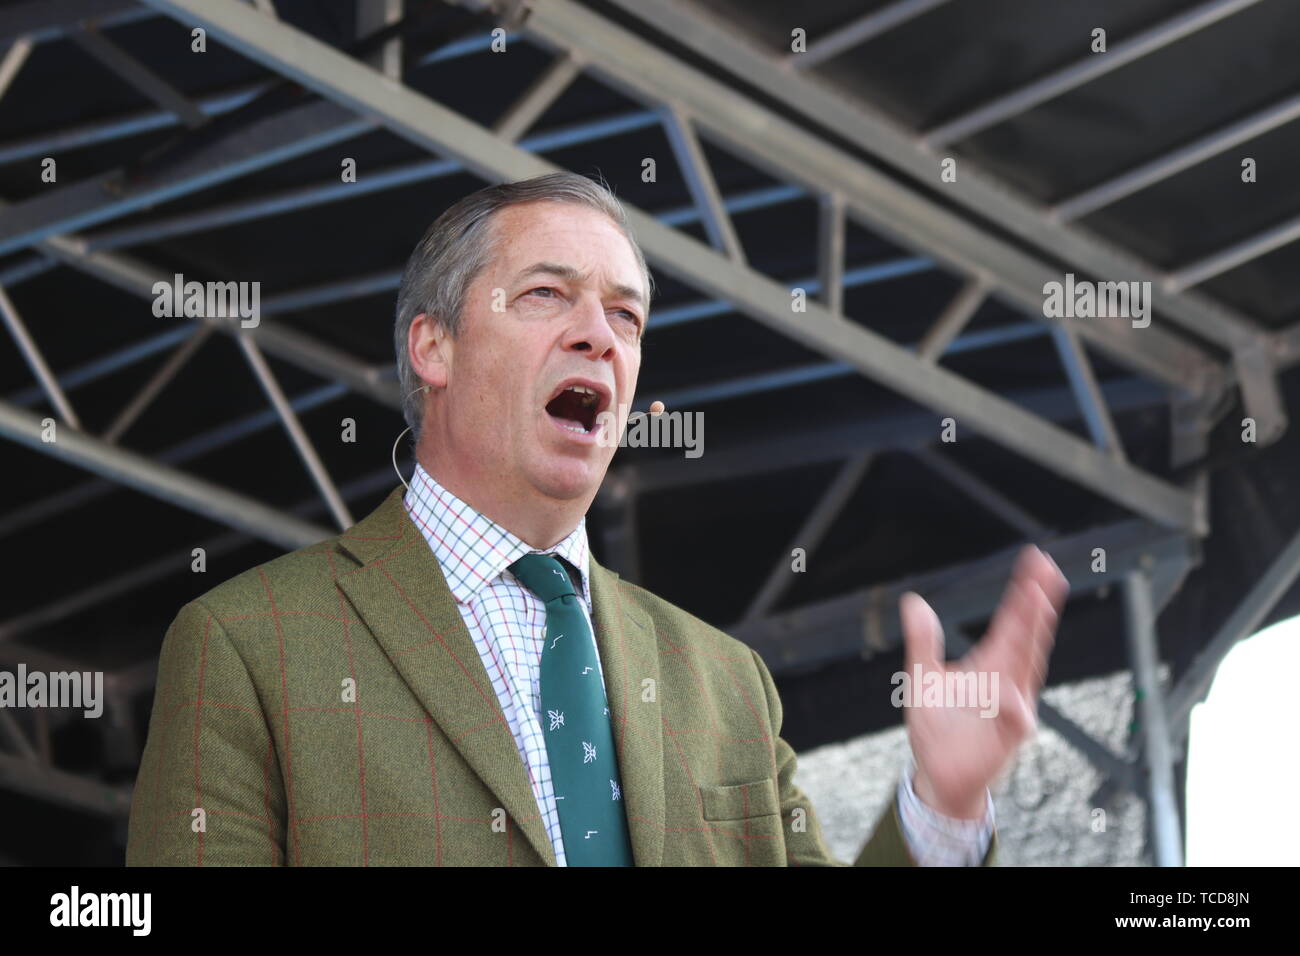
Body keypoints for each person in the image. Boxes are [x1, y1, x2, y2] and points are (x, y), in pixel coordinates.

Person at [125, 171, 1068, 866]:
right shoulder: (247, 645)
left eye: (627, 316)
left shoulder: (725, 682)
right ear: (434, 346)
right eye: (547, 295)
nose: (598, 336)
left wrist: (941, 804)